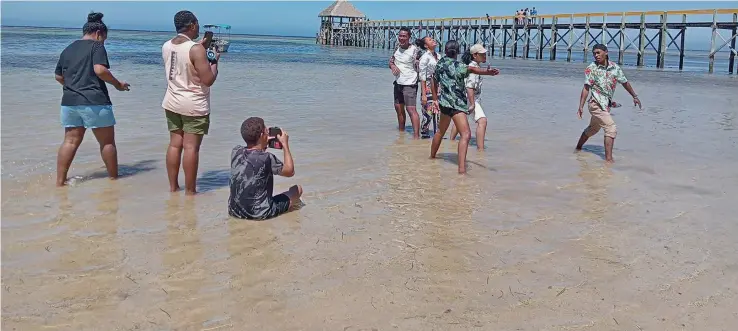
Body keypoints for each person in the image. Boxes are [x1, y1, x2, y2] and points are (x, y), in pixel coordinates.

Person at [54, 12, 130, 187]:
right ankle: (113, 182)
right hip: (95, 101)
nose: (103, 42)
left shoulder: (68, 48)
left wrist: (74, 87)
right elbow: (100, 70)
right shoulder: (96, 46)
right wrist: (118, 84)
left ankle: (60, 182)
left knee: (70, 141)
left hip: (69, 102)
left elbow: (58, 76)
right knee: (107, 142)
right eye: (104, 39)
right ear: (98, 33)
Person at [161, 10, 220, 194]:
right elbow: (208, 79)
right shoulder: (196, 49)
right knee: (191, 148)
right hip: (193, 104)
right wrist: (215, 62)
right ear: (193, 25)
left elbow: (183, 61)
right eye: (197, 25)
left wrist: (200, 48)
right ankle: (190, 192)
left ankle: (173, 188)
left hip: (172, 101)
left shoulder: (167, 45)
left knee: (174, 145)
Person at [429, 41, 500, 174]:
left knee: (440, 132)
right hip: (457, 105)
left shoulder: (440, 63)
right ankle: (462, 170)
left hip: (444, 103)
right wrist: (488, 72)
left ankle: (432, 158)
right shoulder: (460, 66)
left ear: (445, 50)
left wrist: (434, 99)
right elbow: (473, 69)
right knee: (466, 135)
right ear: (458, 52)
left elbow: (433, 80)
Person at [575, 44, 642, 163]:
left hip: (606, 105)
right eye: (594, 53)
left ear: (606, 52)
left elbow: (625, 82)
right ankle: (609, 161)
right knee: (611, 128)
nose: (596, 55)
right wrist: (581, 106)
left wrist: (634, 96)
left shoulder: (615, 68)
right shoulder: (591, 68)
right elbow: (586, 88)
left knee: (593, 129)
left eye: (598, 52)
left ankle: (578, 148)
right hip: (595, 104)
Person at [228, 117, 303, 220]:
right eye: (266, 131)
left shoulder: (235, 151)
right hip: (261, 213)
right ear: (262, 135)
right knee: (297, 189)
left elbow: (254, 157)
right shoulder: (267, 158)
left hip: (234, 211)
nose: (268, 133)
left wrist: (262, 145)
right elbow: (290, 171)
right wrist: (285, 145)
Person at [449, 44, 492, 151]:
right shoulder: (473, 69)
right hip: (470, 98)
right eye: (482, 54)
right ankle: (481, 150)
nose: (485, 55)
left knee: (461, 120)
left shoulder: (472, 66)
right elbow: (469, 87)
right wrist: (472, 104)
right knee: (482, 121)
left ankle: (451, 142)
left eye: (484, 53)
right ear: (475, 55)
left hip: (465, 98)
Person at [388, 27, 421, 138]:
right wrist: (392, 66)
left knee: (411, 109)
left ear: (409, 37)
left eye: (404, 36)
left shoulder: (415, 50)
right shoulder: (397, 47)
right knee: (398, 108)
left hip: (410, 83)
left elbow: (421, 67)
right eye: (400, 36)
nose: (401, 38)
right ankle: (401, 134)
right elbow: (391, 61)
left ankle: (416, 136)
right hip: (398, 83)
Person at [416, 36, 440, 138]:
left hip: (439, 87)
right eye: (430, 40)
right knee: (428, 114)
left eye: (433, 39)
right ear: (426, 45)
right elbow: (422, 76)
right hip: (428, 87)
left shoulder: (438, 56)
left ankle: (438, 136)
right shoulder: (425, 57)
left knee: (439, 113)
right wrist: (424, 95)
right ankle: (424, 138)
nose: (433, 40)